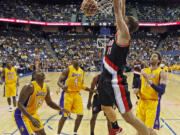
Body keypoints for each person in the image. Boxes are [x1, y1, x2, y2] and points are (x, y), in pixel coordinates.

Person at [96, 0, 157, 134]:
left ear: (127, 24)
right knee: (105, 106)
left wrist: (117, 3)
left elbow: (118, 10)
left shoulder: (124, 34)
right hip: (105, 78)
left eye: (125, 19)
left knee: (129, 117)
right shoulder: (120, 31)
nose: (122, 19)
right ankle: (116, 128)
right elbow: (121, 9)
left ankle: (149, 133)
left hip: (115, 81)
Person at [13, 70, 69, 135]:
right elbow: (20, 104)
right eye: (39, 72)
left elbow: (49, 102)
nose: (42, 72)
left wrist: (61, 109)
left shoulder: (46, 87)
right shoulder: (29, 87)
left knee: (42, 133)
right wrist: (31, 118)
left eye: (42, 71)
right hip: (21, 115)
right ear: (34, 76)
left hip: (33, 113)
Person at [57, 56, 94, 135]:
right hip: (68, 95)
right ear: (71, 61)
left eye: (77, 58)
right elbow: (59, 82)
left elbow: (81, 85)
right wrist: (62, 86)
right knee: (65, 116)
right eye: (74, 59)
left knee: (80, 115)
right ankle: (58, 133)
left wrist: (91, 90)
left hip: (77, 94)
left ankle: (75, 133)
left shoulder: (81, 71)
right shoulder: (67, 70)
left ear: (80, 60)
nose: (76, 60)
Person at [135, 51, 167, 134]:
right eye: (151, 56)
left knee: (147, 131)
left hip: (152, 104)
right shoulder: (144, 70)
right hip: (141, 103)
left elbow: (162, 91)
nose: (152, 57)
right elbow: (140, 84)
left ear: (159, 60)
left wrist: (149, 81)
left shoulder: (162, 72)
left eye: (155, 56)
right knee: (140, 130)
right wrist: (137, 90)